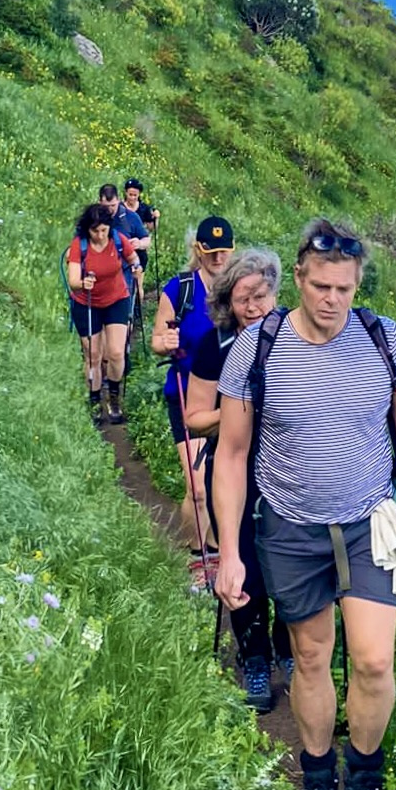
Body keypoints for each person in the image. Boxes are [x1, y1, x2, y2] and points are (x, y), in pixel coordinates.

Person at [212, 219, 396, 790]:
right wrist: (230, 552)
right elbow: (232, 455)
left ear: (358, 283)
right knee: (312, 657)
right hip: (290, 527)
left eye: (345, 289)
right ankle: (318, 778)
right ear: (297, 277)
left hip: (371, 521)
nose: (332, 301)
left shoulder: (386, 341)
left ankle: (365, 782)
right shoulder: (255, 349)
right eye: (321, 286)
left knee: (374, 661)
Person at [183, 247, 290, 712]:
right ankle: (254, 659)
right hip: (234, 467)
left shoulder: (296, 336)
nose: (254, 307)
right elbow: (194, 417)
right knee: (241, 557)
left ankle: (288, 645)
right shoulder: (215, 344)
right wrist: (237, 413)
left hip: (290, 467)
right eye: (243, 298)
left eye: (261, 296)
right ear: (227, 303)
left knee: (290, 561)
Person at [151, 215, 234, 565]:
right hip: (186, 395)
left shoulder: (241, 290)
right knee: (198, 488)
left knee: (224, 487)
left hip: (231, 400)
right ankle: (199, 557)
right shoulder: (180, 289)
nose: (217, 258)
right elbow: (157, 340)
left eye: (223, 251)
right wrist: (164, 342)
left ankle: (221, 552)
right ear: (197, 250)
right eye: (210, 251)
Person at [65, 202, 135, 425]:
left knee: (115, 353)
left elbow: (133, 259)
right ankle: (95, 399)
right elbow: (73, 281)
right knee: (93, 355)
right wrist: (82, 283)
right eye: (96, 231)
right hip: (86, 303)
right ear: (88, 229)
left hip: (116, 299)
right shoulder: (80, 245)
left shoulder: (117, 240)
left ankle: (113, 397)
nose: (100, 235)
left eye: (104, 230)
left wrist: (136, 268)